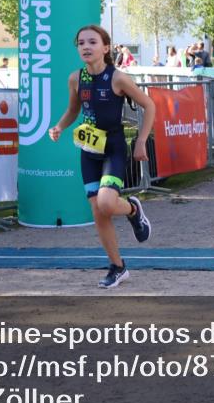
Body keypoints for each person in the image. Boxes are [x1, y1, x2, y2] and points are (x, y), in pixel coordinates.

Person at [49, 24, 155, 289]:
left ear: (106, 48)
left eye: (92, 42)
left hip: (114, 149)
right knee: (99, 212)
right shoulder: (76, 78)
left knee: (108, 204)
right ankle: (117, 267)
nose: (86, 46)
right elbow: (74, 110)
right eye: (81, 42)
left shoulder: (118, 78)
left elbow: (149, 104)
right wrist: (60, 126)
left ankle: (132, 209)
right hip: (89, 152)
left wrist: (141, 141)